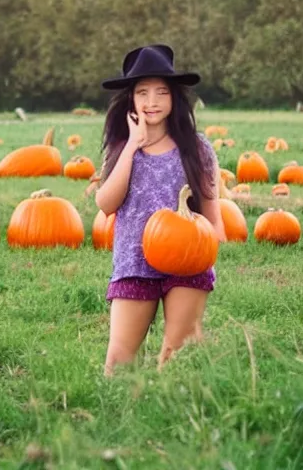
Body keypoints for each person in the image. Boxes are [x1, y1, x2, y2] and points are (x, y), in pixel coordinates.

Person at [93, 46, 223, 376]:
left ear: (174, 98)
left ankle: (172, 419)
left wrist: (207, 250)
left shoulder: (197, 148)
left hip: (187, 262)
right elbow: (106, 204)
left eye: (162, 92)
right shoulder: (122, 148)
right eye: (143, 93)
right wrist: (134, 144)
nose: (152, 101)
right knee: (118, 367)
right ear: (131, 100)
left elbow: (212, 213)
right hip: (134, 262)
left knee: (177, 359)